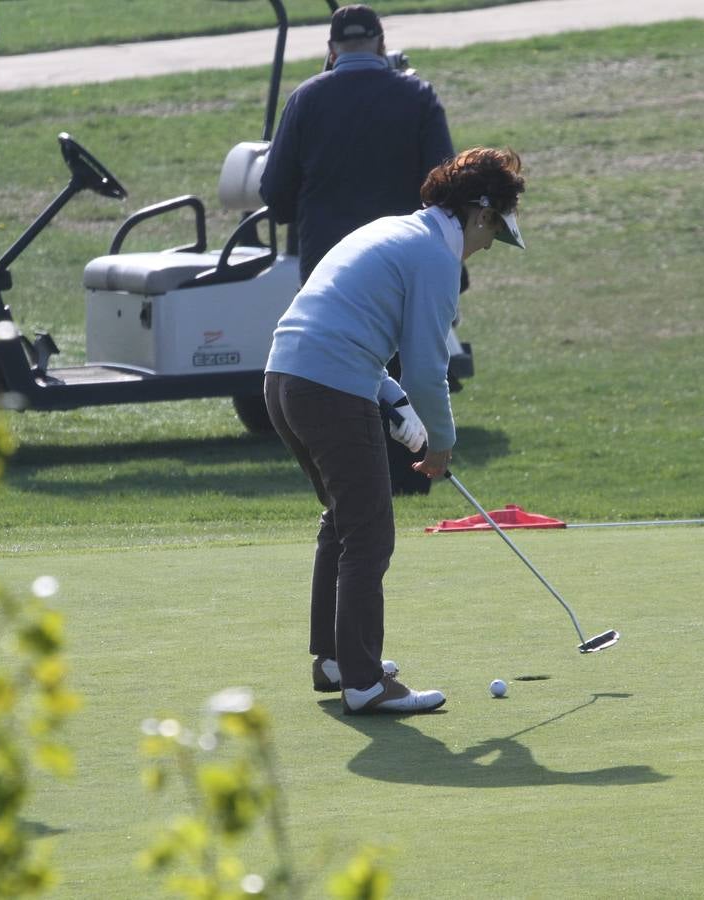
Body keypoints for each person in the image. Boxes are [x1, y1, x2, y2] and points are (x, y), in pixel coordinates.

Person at [264, 146, 526, 714]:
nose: (486, 247)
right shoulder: (435, 257)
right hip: (328, 389)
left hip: (284, 381)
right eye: (493, 231)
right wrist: (442, 443)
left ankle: (335, 659)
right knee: (369, 535)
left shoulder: (393, 231)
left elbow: (351, 331)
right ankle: (364, 682)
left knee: (343, 522)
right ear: (480, 214)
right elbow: (430, 366)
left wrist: (394, 399)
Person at [259, 4, 456, 494]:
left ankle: (353, 488)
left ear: (330, 51)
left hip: (330, 265)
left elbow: (275, 193)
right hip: (406, 260)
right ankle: (405, 478)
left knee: (338, 372)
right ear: (382, 44)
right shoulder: (415, 95)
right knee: (400, 365)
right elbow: (445, 187)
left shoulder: (306, 98)